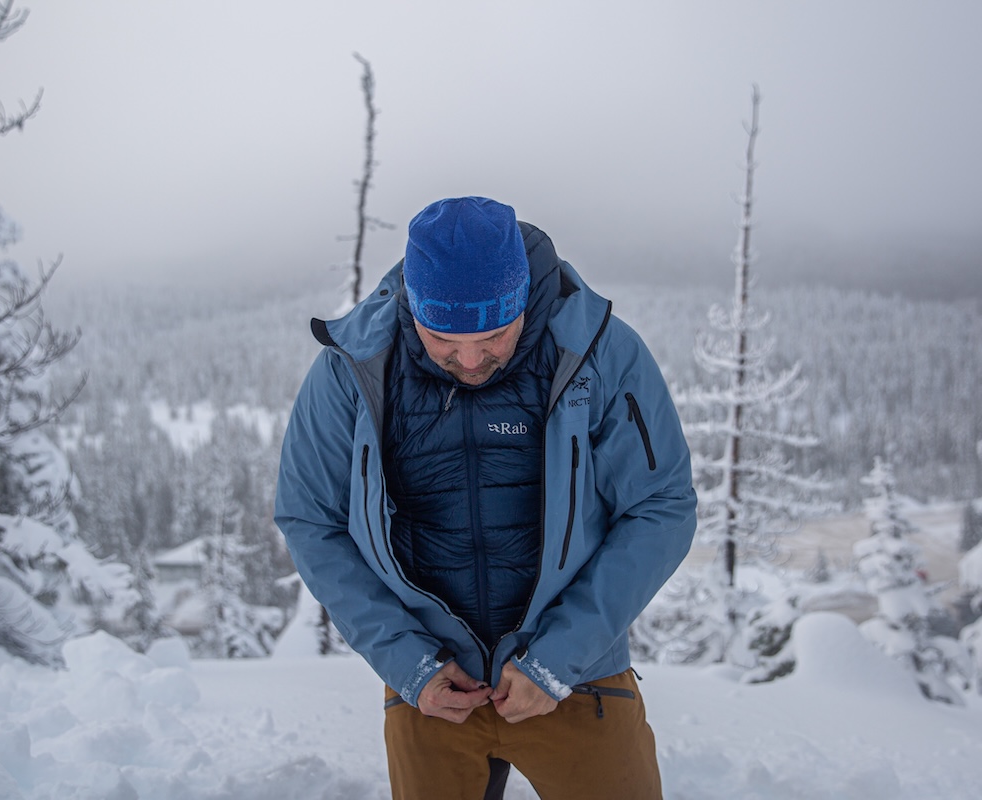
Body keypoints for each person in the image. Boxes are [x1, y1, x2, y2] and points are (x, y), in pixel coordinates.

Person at [274, 196, 697, 799]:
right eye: (442, 336)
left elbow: (662, 506)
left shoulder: (599, 353)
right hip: (432, 688)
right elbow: (309, 518)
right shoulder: (353, 371)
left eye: (495, 334)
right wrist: (409, 664)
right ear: (411, 307)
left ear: (523, 298)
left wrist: (558, 658)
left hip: (577, 678)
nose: (470, 360)